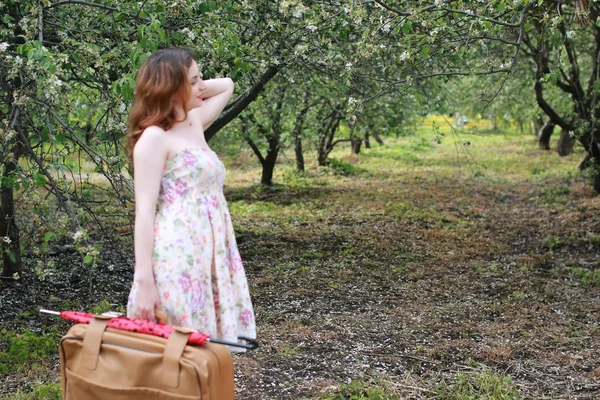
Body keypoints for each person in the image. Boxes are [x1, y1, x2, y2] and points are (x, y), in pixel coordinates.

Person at [125, 48, 256, 346]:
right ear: (171, 89)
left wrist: (192, 86)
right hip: (177, 257)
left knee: (205, 353)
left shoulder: (194, 121)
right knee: (175, 350)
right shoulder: (155, 138)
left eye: (200, 79)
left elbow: (228, 85)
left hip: (211, 253)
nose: (202, 87)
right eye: (194, 81)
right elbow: (144, 213)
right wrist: (144, 280)